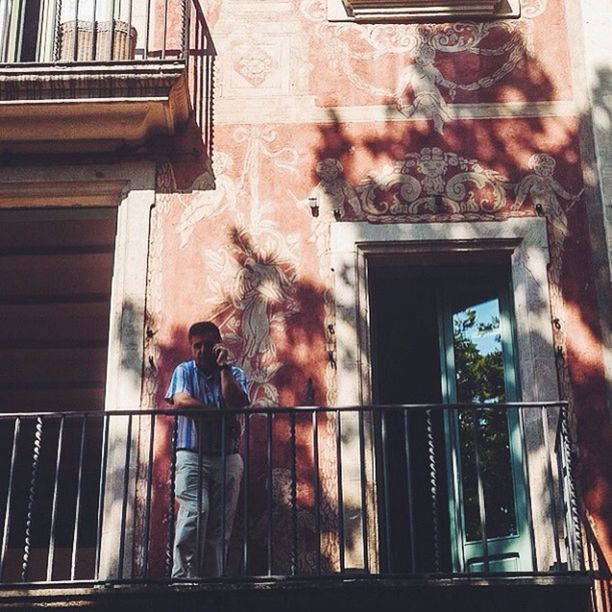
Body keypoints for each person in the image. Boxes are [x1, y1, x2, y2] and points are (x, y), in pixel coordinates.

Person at [166, 321, 249, 579]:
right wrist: (221, 417)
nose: (202, 350)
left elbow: (235, 401)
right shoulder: (184, 371)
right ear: (191, 348)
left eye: (208, 345)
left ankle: (215, 581)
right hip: (191, 456)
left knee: (221, 524)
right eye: (197, 346)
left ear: (218, 346)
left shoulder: (234, 374)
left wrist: (224, 368)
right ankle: (183, 579)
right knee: (193, 514)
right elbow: (180, 401)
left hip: (227, 458)